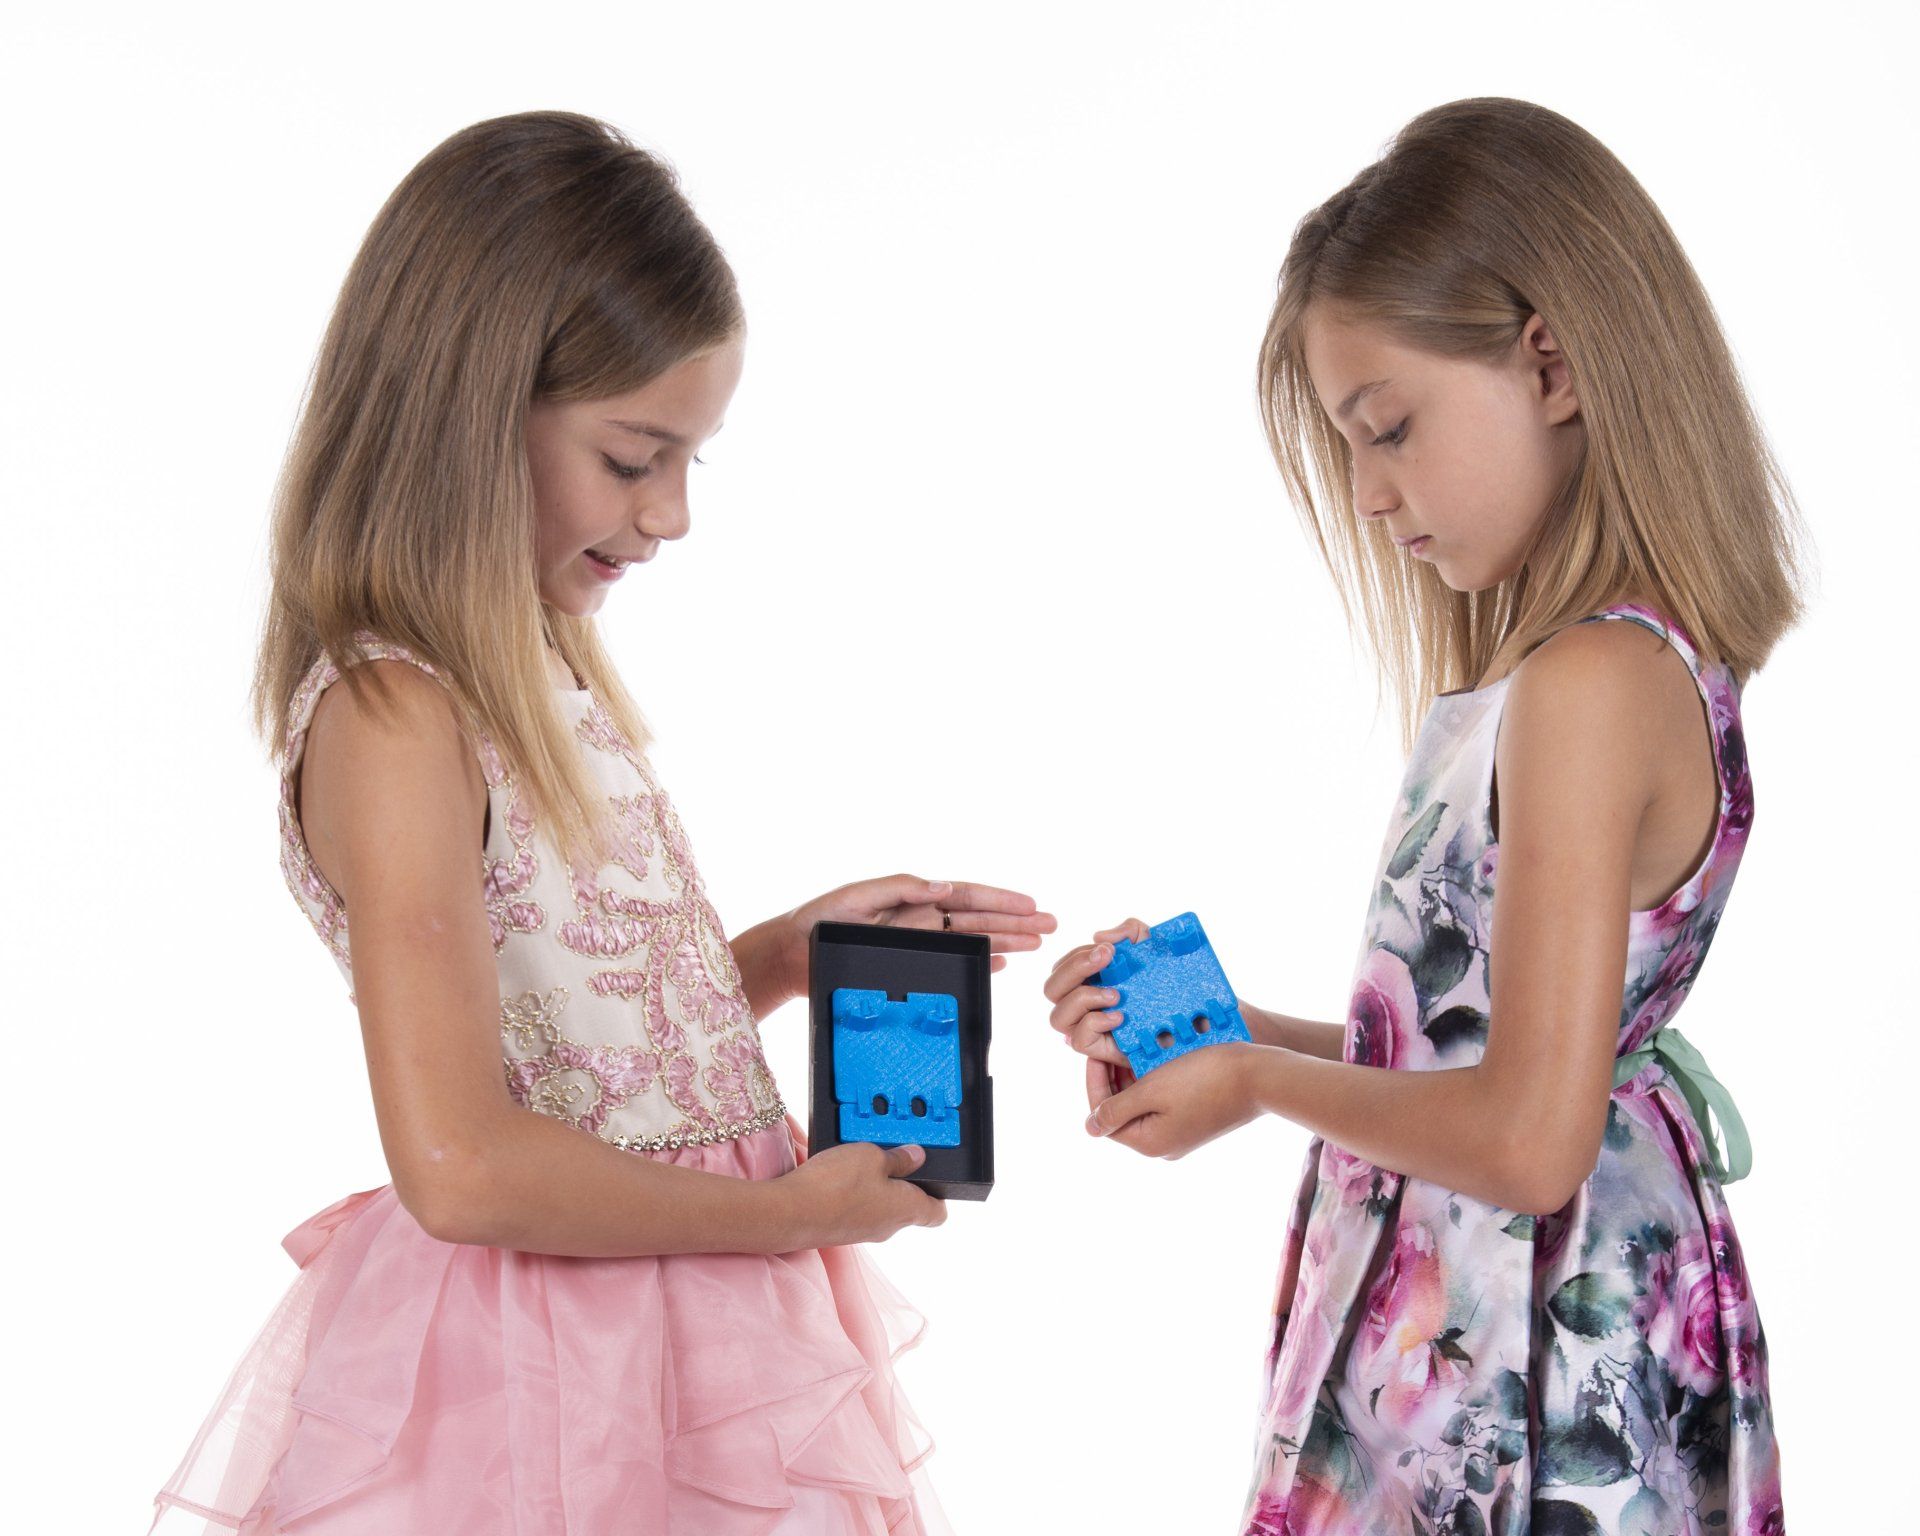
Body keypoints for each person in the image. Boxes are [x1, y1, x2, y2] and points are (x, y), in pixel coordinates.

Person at [147, 109, 1055, 1536]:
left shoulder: (541, 672)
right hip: (550, 1357)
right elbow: (461, 1162)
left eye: (691, 461)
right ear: (471, 413)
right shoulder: (397, 720)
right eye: (636, 457)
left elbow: (574, 1041)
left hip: (680, 1319)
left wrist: (783, 953)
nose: (673, 514)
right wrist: (789, 1218)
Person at [1045, 97, 1801, 1535]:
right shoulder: (1592, 670)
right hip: (1493, 1304)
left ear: (1555, 363)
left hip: (1517, 1352)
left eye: (1387, 430)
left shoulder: (1590, 683)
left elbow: (1526, 1142)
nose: (1370, 493)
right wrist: (1235, 1035)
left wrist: (1257, 1090)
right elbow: (1487, 1063)